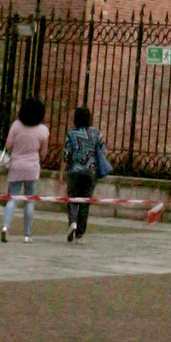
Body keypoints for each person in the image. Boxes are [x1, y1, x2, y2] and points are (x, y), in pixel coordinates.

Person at [1, 96, 48, 243]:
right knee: (29, 200)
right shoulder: (43, 130)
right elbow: (44, 153)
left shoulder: (16, 125)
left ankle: (5, 227)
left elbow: (8, 145)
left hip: (16, 165)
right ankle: (27, 234)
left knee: (12, 198)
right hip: (32, 167)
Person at [64, 104, 109, 242]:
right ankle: (80, 234)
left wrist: (63, 171)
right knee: (85, 202)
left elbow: (66, 154)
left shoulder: (71, 134)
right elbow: (104, 150)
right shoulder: (96, 134)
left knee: (72, 198)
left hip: (75, 170)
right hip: (91, 171)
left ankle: (72, 222)